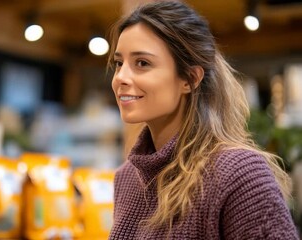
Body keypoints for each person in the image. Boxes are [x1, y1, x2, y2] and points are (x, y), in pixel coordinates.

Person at [107, 1, 298, 239]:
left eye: (142, 63)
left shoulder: (240, 174)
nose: (121, 77)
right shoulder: (126, 178)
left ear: (190, 78)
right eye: (119, 63)